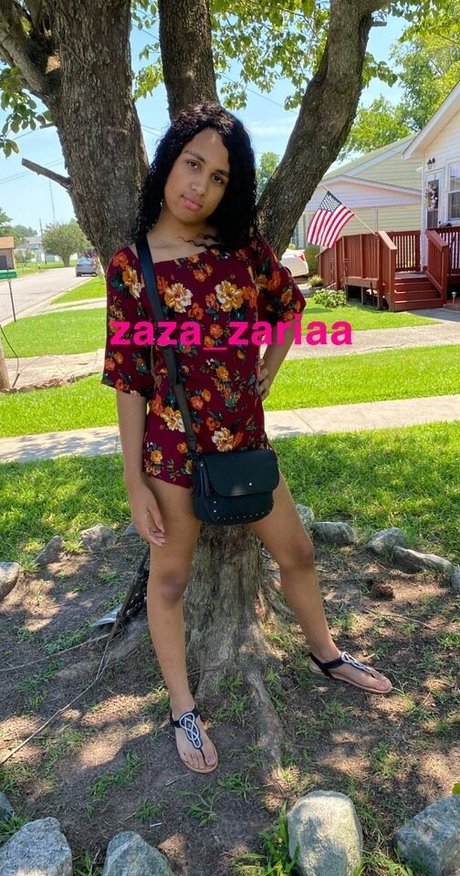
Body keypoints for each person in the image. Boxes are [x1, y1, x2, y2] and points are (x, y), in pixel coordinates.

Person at [102, 102, 392, 775]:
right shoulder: (131, 265)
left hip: (246, 445)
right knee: (170, 581)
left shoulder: (242, 249)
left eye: (219, 178)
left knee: (298, 553)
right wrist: (132, 480)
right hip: (173, 455)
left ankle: (326, 654)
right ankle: (182, 707)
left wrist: (270, 366)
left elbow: (289, 307)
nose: (199, 186)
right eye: (192, 164)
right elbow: (128, 378)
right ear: (168, 162)